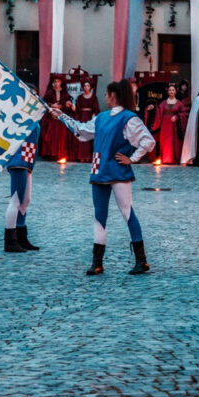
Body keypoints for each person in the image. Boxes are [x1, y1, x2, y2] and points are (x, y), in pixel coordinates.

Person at [54, 80, 157, 276]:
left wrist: (132, 158)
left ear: (112, 95)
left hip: (115, 170)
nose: (104, 98)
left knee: (126, 212)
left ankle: (141, 260)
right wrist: (61, 117)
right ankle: (97, 262)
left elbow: (148, 141)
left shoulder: (129, 118)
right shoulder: (101, 118)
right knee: (100, 215)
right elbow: (82, 131)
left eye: (107, 94)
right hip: (100, 170)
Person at [4, 123, 41, 253]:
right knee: (16, 200)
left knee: (25, 201)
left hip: (27, 157)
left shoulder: (36, 112)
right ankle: (10, 240)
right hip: (19, 158)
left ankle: (21, 236)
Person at [40, 75, 74, 160]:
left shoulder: (65, 93)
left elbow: (66, 106)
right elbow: (44, 103)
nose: (56, 83)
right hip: (51, 118)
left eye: (58, 81)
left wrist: (65, 106)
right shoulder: (49, 93)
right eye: (55, 81)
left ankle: (60, 154)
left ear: (61, 83)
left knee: (61, 136)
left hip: (61, 118)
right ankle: (50, 154)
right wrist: (52, 105)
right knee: (51, 135)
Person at [152, 83, 187, 165]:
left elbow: (184, 113)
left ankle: (174, 159)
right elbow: (158, 113)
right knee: (165, 142)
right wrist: (151, 108)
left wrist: (177, 117)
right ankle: (165, 159)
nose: (171, 91)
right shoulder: (163, 103)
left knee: (174, 142)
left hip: (174, 126)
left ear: (175, 92)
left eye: (173, 90)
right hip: (165, 125)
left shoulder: (179, 103)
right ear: (168, 91)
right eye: (170, 90)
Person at [72, 78, 101, 163]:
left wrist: (94, 115)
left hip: (90, 118)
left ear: (90, 87)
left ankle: (88, 157)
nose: (86, 87)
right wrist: (73, 107)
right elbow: (77, 108)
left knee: (89, 136)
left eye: (88, 86)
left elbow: (97, 109)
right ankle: (81, 156)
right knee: (82, 135)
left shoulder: (94, 97)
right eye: (84, 86)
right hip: (81, 118)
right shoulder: (80, 97)